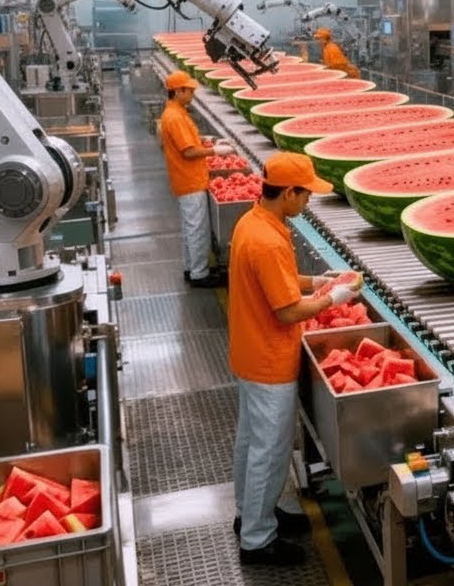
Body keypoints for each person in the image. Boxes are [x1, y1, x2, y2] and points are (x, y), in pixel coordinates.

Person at [227, 151, 361, 565]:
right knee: (270, 450)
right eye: (306, 195)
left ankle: (251, 514)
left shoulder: (255, 222)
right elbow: (287, 311)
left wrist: (314, 281)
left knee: (251, 443)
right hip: (269, 360)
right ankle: (257, 540)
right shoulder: (266, 239)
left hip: (249, 352)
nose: (309, 202)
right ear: (288, 193)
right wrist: (332, 297)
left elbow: (278, 282)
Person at [159, 70, 234, 288]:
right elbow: (188, 152)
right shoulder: (174, 117)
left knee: (189, 227)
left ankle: (191, 267)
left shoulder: (177, 112)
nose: (192, 94)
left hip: (187, 179)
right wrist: (215, 153)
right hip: (189, 179)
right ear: (177, 91)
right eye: (189, 90)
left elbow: (188, 141)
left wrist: (206, 140)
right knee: (197, 228)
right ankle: (199, 274)